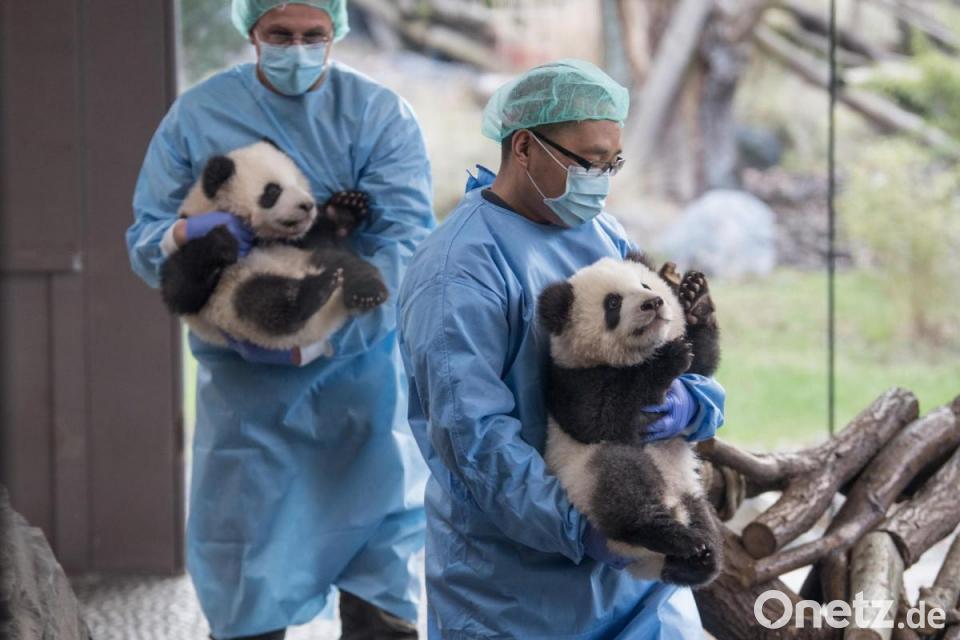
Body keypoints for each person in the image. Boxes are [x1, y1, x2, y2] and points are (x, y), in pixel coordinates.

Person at [126, 2, 434, 639]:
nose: (297, 48)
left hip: (358, 380)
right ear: (252, 32)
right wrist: (185, 234)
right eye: (280, 35)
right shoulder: (199, 115)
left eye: (313, 35)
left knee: (377, 561)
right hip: (247, 391)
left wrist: (324, 338)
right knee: (248, 563)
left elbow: (405, 245)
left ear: (336, 32)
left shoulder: (377, 115)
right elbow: (146, 237)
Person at [396, 59, 726, 639]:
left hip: (639, 592)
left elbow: (666, 340)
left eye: (612, 163)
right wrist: (585, 526)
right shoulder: (459, 270)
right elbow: (474, 440)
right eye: (588, 162)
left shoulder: (604, 233)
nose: (601, 181)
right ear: (524, 147)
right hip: (514, 594)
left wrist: (693, 403)